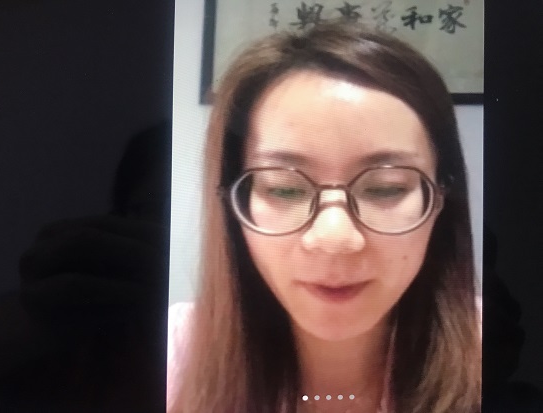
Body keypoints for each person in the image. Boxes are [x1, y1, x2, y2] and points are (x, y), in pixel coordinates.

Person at [167, 22, 481, 413]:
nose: (335, 237)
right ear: (234, 203)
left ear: (440, 201)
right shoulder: (171, 353)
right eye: (285, 189)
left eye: (385, 188)